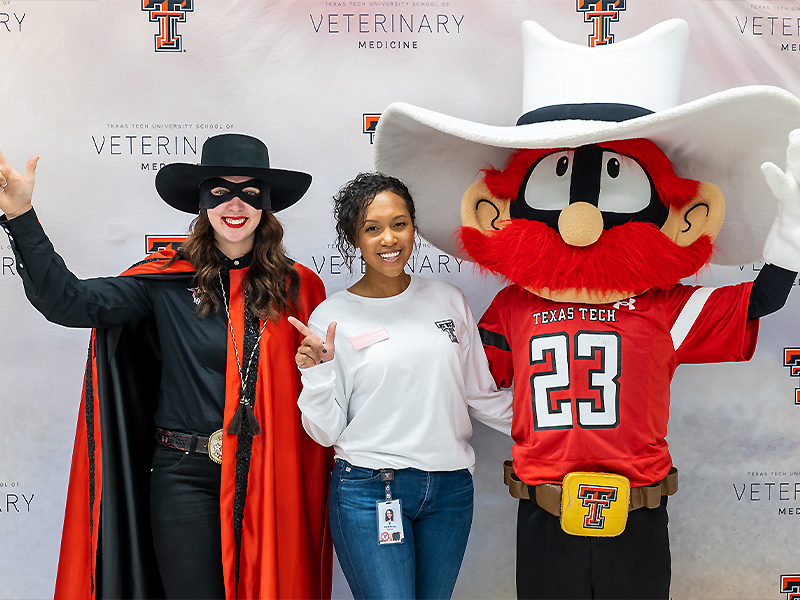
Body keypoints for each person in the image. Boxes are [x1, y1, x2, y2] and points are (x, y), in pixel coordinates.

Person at [0, 133, 333, 599]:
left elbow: (319, 399)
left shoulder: (297, 287)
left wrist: (320, 369)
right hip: (183, 476)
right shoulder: (164, 282)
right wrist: (20, 216)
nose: (234, 204)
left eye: (249, 192)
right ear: (201, 202)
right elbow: (69, 302)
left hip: (269, 472)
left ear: (266, 205)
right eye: (219, 191)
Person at [288, 172, 513, 599]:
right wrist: (317, 374)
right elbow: (324, 431)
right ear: (354, 238)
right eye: (372, 228)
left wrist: (560, 429)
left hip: (450, 490)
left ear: (413, 226)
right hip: (370, 490)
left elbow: (480, 395)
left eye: (399, 223)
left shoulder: (448, 300)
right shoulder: (334, 317)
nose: (389, 239)